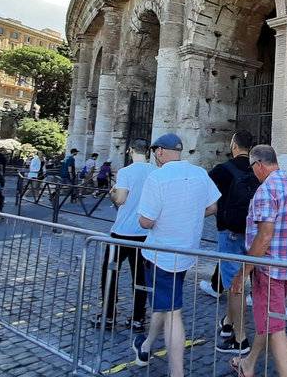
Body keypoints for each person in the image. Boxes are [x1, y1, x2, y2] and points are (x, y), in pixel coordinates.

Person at [131, 134, 220, 377]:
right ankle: (147, 346)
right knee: (166, 305)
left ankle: (177, 373)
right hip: (186, 252)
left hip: (162, 255)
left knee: (173, 315)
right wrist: (188, 218)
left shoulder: (157, 177)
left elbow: (147, 221)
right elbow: (213, 207)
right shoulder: (201, 173)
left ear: (159, 152)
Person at [229, 144, 287, 377]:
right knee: (270, 319)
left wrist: (242, 273)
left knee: (276, 329)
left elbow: (264, 236)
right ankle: (249, 363)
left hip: (270, 271)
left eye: (253, 167)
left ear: (258, 165)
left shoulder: (266, 191)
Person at [202, 130, 257, 355]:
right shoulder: (258, 168)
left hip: (229, 230)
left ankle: (241, 339)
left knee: (234, 285)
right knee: (235, 281)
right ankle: (227, 322)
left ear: (234, 146)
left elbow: (204, 193)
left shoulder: (222, 170)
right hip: (255, 231)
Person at [91, 141, 155, 332]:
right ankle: (137, 318)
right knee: (141, 277)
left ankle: (108, 315)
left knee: (110, 273)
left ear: (131, 151)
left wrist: (112, 192)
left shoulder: (126, 171)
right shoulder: (155, 172)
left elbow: (120, 199)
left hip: (122, 232)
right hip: (144, 234)